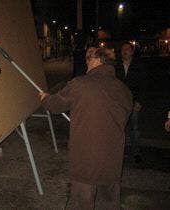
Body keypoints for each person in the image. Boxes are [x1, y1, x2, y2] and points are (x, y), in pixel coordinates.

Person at [39, 48, 132, 210]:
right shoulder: (124, 90)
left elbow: (55, 105)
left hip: (86, 158)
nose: (87, 63)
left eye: (89, 59)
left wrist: (45, 98)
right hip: (113, 156)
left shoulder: (80, 84)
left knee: (83, 201)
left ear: (97, 60)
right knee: (110, 201)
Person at [115, 42, 147, 162]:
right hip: (119, 103)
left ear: (132, 51)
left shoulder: (138, 66)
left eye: (127, 49)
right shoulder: (116, 66)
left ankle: (136, 152)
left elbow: (143, 85)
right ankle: (119, 152)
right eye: (123, 49)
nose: (125, 51)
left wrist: (139, 101)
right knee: (119, 128)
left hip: (133, 102)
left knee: (134, 128)